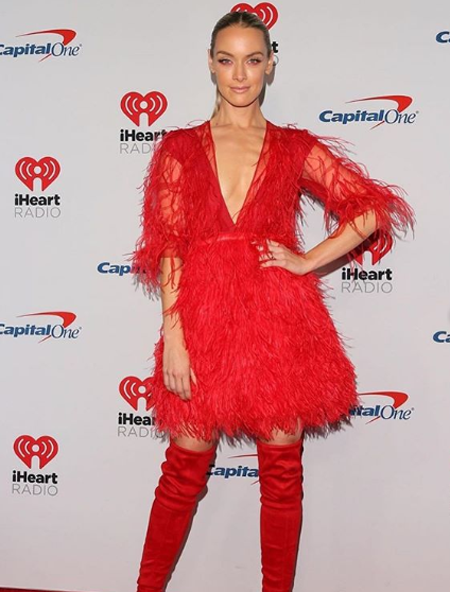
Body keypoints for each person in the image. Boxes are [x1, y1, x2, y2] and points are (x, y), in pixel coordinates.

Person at [129, 11, 415, 592]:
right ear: (210, 64)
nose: (241, 74)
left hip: (279, 322)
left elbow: (369, 208)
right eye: (228, 60)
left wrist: (308, 260)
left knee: (282, 473)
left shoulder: (293, 147)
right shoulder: (179, 148)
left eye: (253, 60)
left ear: (270, 65)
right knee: (182, 474)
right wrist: (175, 337)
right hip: (202, 323)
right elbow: (170, 247)